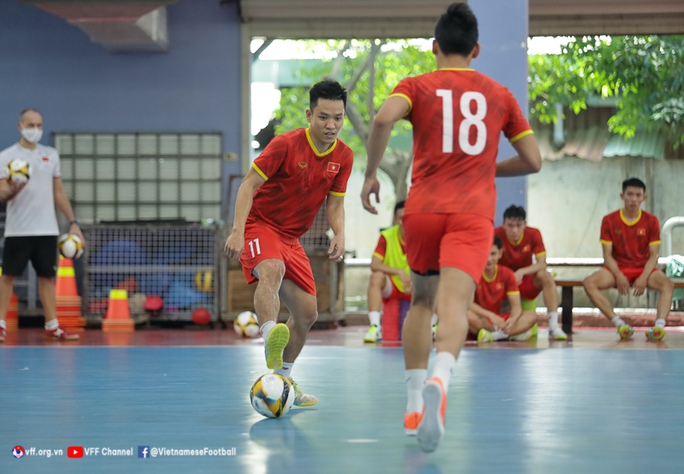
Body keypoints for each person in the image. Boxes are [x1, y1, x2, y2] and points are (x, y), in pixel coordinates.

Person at [361, 2, 541, 452]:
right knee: (455, 304)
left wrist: (369, 174)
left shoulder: (417, 85)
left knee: (421, 302)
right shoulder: (499, 94)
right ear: (476, 49)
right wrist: (485, 169)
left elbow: (383, 118)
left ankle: (412, 405)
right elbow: (533, 160)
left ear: (434, 46)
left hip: (421, 211)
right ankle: (442, 379)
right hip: (471, 215)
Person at [224, 79, 353, 407]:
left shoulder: (344, 157)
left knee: (308, 313)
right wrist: (238, 230)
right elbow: (248, 185)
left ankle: (284, 381)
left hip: (292, 238)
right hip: (260, 224)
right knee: (272, 269)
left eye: (338, 118)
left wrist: (340, 232)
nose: (331, 125)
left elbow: (334, 204)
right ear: (310, 115)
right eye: (324, 117)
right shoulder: (285, 145)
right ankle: (270, 336)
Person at [0, 109, 85, 343]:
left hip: (47, 229)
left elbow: (58, 192)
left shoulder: (51, 155)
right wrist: (13, 189)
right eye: (30, 124)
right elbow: (2, 193)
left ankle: (52, 326)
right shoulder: (7, 157)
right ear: (19, 126)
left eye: (39, 125)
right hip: (18, 229)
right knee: (8, 277)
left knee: (47, 277)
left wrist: (73, 223)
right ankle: (0, 325)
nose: (35, 129)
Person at [583, 178, 673, 341]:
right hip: (617, 268)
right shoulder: (609, 220)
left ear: (643, 198)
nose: (633, 199)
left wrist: (644, 277)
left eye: (638, 195)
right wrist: (618, 275)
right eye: (630, 194)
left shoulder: (651, 221)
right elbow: (607, 255)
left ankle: (659, 328)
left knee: (668, 284)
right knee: (589, 282)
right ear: (622, 196)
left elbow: (654, 255)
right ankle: (620, 325)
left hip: (644, 268)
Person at [494, 205, 567, 340]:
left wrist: (521, 272)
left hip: (524, 281)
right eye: (510, 225)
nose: (514, 230)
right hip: (503, 283)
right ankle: (497, 330)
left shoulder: (534, 234)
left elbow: (542, 263)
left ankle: (553, 326)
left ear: (525, 225)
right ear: (503, 225)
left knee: (546, 276)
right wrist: (508, 277)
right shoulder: (495, 235)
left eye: (519, 225)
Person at [470, 236, 538, 342]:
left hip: (500, 320)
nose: (488, 259)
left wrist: (513, 320)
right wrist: (490, 315)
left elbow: (516, 307)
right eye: (485, 253)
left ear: (500, 254)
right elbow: (467, 304)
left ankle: (494, 336)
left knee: (532, 315)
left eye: (493, 254)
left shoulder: (507, 274)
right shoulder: (473, 273)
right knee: (466, 315)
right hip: (481, 319)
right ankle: (509, 334)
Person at [364, 200, 412, 343]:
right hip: (393, 287)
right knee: (376, 277)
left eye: (408, 217)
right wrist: (398, 272)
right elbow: (374, 264)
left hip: (415, 286)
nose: (405, 221)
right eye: (401, 218)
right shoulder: (387, 236)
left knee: (436, 279)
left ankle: (433, 326)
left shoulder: (422, 236)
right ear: (395, 219)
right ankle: (375, 326)